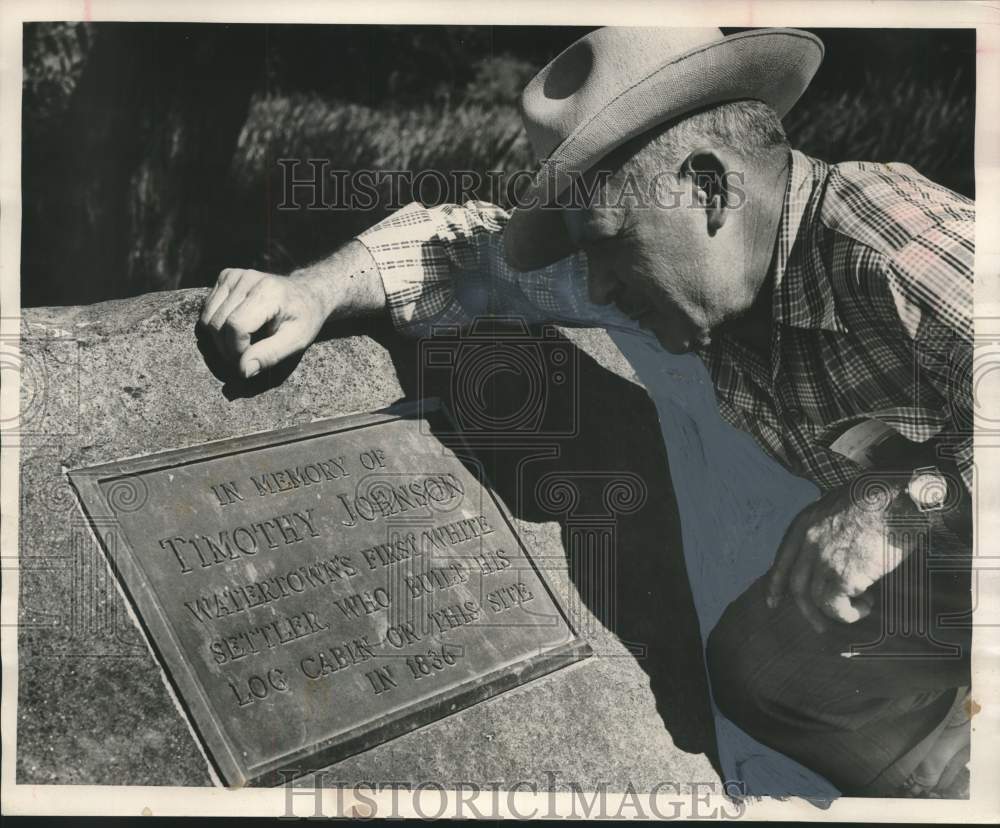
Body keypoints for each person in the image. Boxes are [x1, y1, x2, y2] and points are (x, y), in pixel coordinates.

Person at [201, 27, 974, 798]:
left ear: (710, 190)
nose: (597, 289)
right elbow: (463, 251)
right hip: (961, 570)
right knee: (762, 671)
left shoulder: (899, 249)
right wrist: (312, 291)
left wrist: (903, 506)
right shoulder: (701, 263)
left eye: (608, 243)